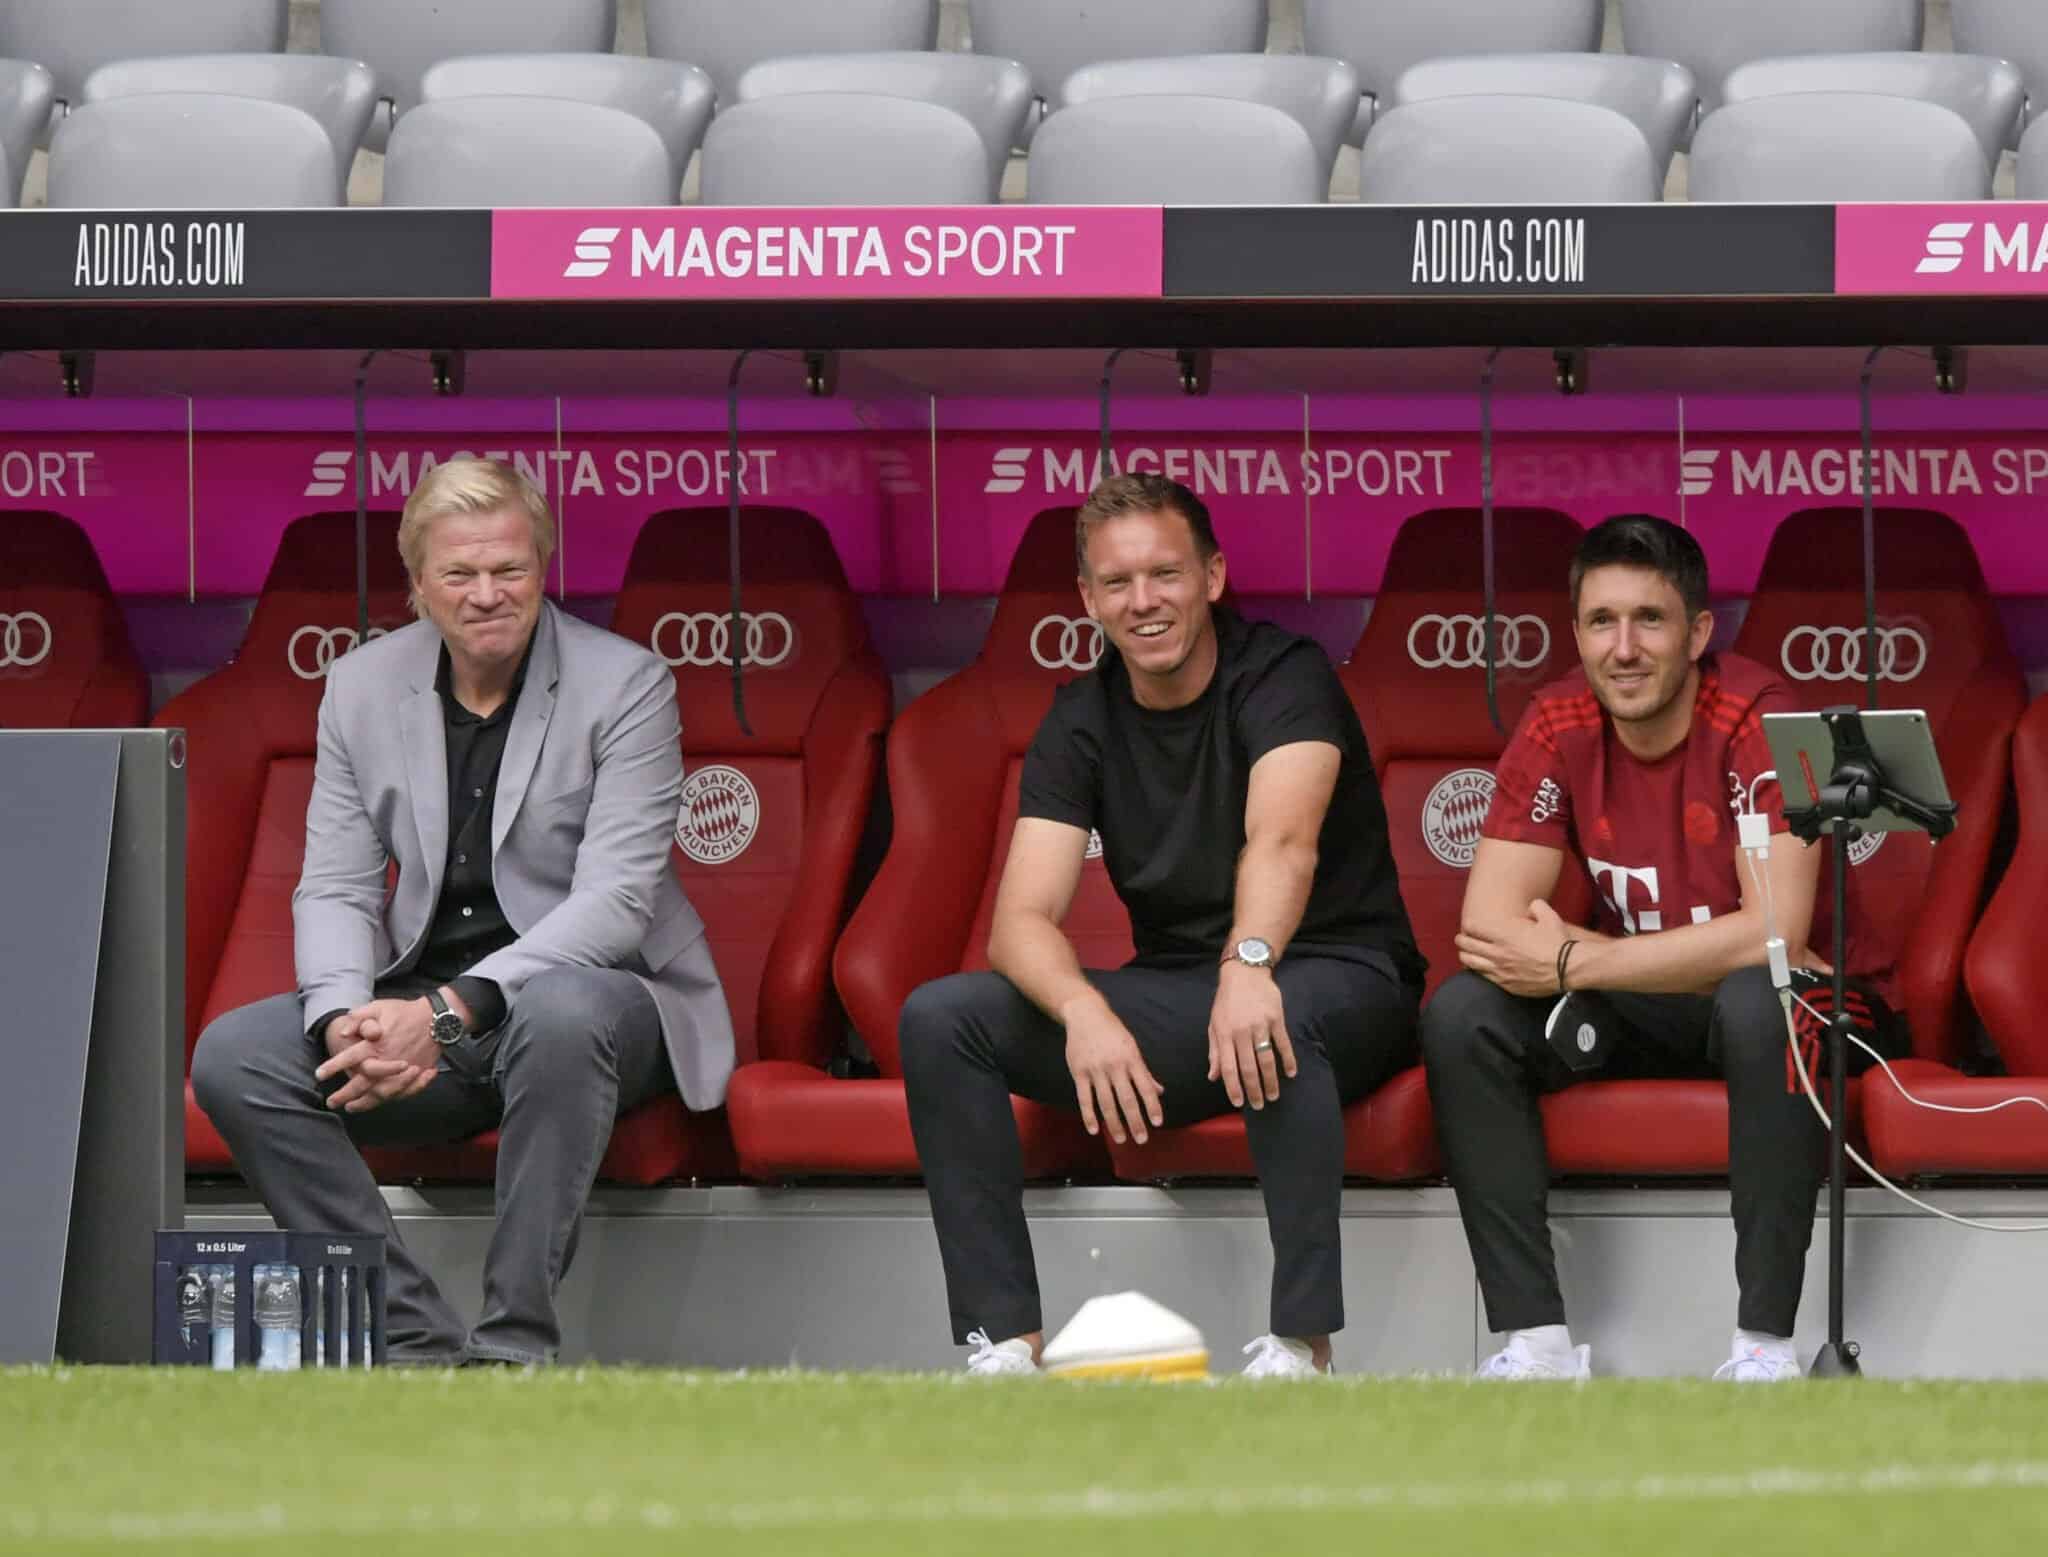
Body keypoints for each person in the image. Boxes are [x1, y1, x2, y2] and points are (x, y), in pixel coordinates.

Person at [192, 457, 734, 1366]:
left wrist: (446, 1012)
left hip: (604, 1001)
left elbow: (616, 903)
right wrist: (338, 1021)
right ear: (418, 587)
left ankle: (510, 1346)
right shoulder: (361, 686)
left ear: (544, 567)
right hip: (422, 1006)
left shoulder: (627, 682)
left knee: (560, 1012)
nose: (488, 594)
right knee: (236, 1056)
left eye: (510, 569)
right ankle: (409, 1334)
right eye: (460, 574)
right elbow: (333, 884)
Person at [900, 473, 1424, 1378]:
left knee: (1274, 1011)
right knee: (943, 1019)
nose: (1144, 602)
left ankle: (1302, 1343)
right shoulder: (1081, 717)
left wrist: (1250, 960)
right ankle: (1006, 1344)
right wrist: (1084, 1011)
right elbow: (1020, 920)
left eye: (1166, 574)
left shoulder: (1284, 676)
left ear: (1213, 577)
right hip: (1180, 996)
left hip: (1337, 971)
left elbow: (1283, 843)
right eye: (1117, 582)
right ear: (1089, 599)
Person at [1423, 513, 1901, 1382]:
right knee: (1466, 1013)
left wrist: (1578, 961)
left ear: (1699, 632)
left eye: (1651, 618)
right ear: (1577, 634)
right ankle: (1533, 1342)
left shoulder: (1764, 715)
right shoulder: (1559, 718)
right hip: (1650, 997)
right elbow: (1490, 927)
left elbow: (1773, 931)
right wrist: (1587, 966)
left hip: (1820, 1002)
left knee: (1765, 996)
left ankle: (1764, 1346)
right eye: (1602, 621)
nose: (1625, 647)